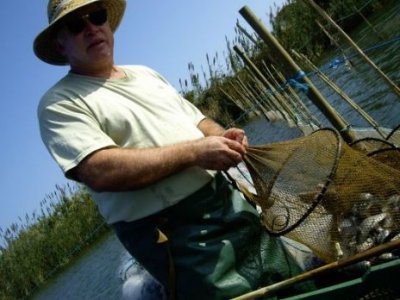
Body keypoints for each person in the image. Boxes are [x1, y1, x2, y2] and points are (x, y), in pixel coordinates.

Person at [34, 0, 313, 299]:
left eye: (97, 17)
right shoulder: (59, 103)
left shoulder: (145, 74)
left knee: (290, 279)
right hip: (171, 231)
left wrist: (224, 136)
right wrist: (195, 153)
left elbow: (198, 120)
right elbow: (99, 170)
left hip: (225, 197)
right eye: (76, 25)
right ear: (60, 44)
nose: (91, 28)